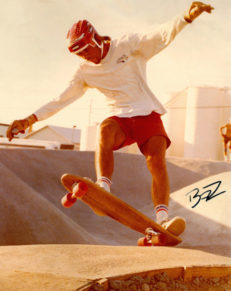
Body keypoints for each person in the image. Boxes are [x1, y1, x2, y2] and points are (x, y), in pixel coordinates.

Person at [7, 2, 214, 236]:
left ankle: (163, 219)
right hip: (120, 119)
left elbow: (159, 36)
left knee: (156, 161)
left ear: (94, 39)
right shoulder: (84, 71)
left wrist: (185, 18)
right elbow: (61, 99)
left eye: (86, 50)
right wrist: (29, 120)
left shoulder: (127, 45)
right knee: (105, 129)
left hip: (146, 112)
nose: (85, 57)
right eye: (79, 54)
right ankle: (103, 188)